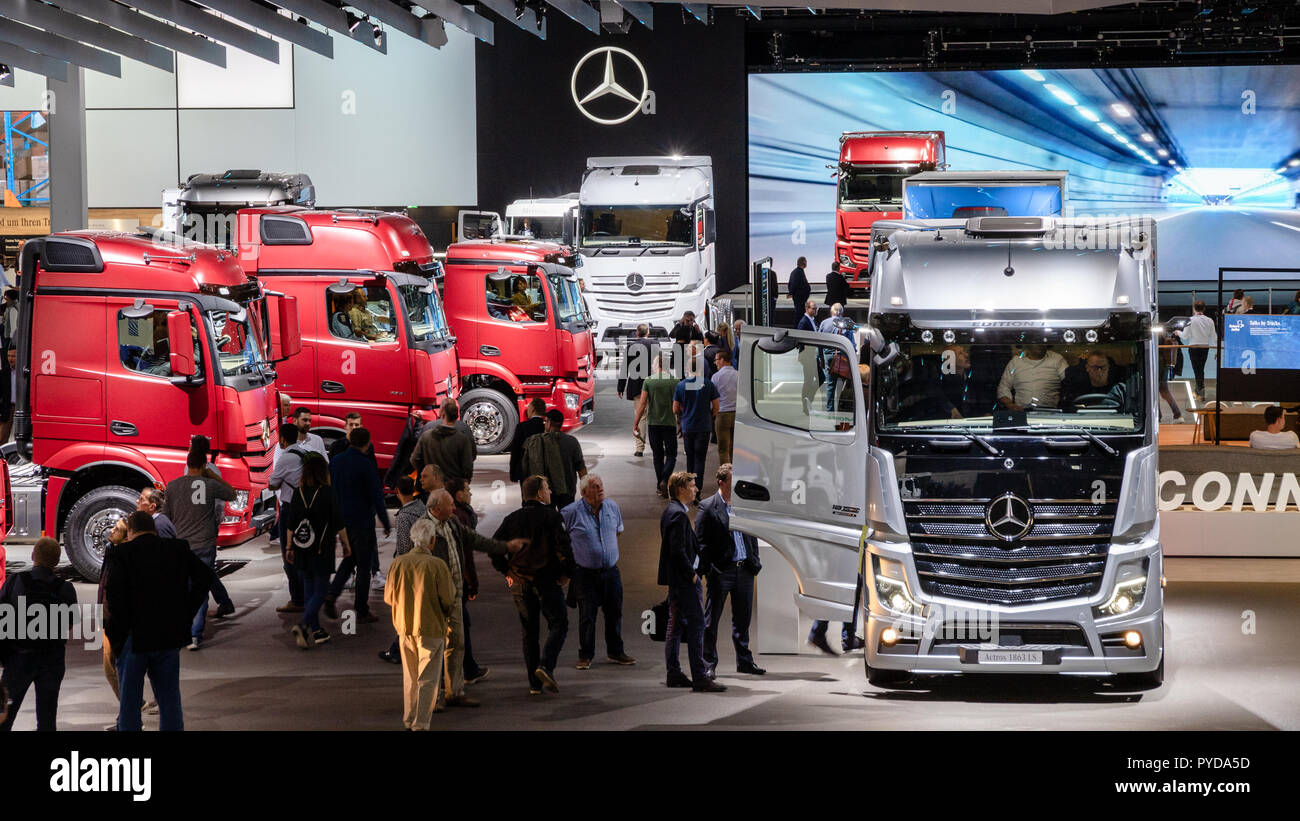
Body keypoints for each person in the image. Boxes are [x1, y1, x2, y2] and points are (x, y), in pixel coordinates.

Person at [104, 511, 215, 731]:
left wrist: (118, 633)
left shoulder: (123, 553)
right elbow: (205, 577)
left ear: (132, 531)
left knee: (130, 704)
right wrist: (187, 612)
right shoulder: (177, 549)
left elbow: (114, 596)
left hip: (134, 638)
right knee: (169, 699)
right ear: (154, 530)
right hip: (168, 635)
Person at [428, 489, 525, 704]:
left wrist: (505, 547)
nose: (454, 508)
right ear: (436, 508)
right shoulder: (424, 529)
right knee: (433, 648)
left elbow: (475, 540)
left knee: (456, 643)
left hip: (454, 594)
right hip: (434, 598)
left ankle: (455, 691)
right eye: (450, 505)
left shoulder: (451, 523)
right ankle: (432, 697)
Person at [492, 476, 574, 694]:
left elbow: (495, 547)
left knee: (529, 632)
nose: (550, 491)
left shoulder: (512, 519)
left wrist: (507, 571)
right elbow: (564, 548)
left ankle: (534, 684)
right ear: (539, 493)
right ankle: (546, 666)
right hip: (546, 581)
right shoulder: (552, 517)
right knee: (559, 623)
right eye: (547, 488)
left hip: (519, 583)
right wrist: (567, 573)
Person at [163, 450, 237, 651]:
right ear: (205, 466)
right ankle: (195, 634)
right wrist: (212, 476)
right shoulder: (210, 485)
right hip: (205, 543)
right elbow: (232, 494)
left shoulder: (173, 486)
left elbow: (165, 516)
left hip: (182, 545)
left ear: (187, 464)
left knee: (185, 587)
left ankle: (187, 628)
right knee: (201, 587)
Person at [0, 537, 77, 731]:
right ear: (57, 561)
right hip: (52, 660)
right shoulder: (66, 588)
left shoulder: (15, 581)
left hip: (18, 658)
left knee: (5, 715)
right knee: (47, 718)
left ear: (33, 555)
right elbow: (70, 622)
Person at [384, 518, 454, 730]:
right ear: (432, 541)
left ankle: (409, 717)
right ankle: (421, 723)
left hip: (404, 627)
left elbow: (388, 597)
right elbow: (448, 599)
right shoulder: (437, 565)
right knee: (428, 678)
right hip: (431, 627)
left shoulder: (398, 563)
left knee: (410, 677)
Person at [658, 471, 725, 692]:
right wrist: (692, 575)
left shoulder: (672, 512)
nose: (696, 489)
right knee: (696, 625)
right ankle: (699, 676)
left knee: (675, 626)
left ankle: (674, 673)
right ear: (681, 490)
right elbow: (677, 552)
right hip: (685, 581)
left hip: (677, 581)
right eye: (693, 486)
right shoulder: (678, 515)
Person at [696, 464, 764, 678]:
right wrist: (708, 569)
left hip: (744, 570)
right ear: (721, 482)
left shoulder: (743, 505)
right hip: (721, 571)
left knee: (743, 620)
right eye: (732, 481)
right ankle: (708, 663)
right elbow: (701, 542)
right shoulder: (708, 507)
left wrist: (755, 560)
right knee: (711, 620)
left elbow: (751, 534)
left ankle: (744, 661)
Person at [561, 475, 635, 670]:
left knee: (614, 613)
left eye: (601, 486)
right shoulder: (570, 513)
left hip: (611, 572)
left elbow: (618, 531)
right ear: (584, 492)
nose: (600, 489)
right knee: (587, 615)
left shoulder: (612, 507)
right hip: (585, 574)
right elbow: (559, 540)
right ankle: (585, 655)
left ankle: (616, 652)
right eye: (595, 487)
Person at [324, 427, 391, 624]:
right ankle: (361, 609)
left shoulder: (335, 462)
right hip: (362, 521)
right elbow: (376, 495)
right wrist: (385, 522)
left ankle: (331, 594)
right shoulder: (366, 464)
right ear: (367, 443)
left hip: (342, 521)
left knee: (349, 559)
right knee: (364, 566)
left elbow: (331, 490)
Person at [286, 454, 350, 648]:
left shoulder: (299, 492)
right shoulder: (327, 492)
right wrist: (346, 544)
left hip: (301, 546)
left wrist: (289, 546)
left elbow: (291, 523)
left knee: (309, 588)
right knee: (321, 591)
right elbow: (338, 522)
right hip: (322, 548)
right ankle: (304, 625)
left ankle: (316, 631)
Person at [443, 477, 489, 685]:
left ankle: (466, 668)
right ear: (458, 494)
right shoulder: (460, 516)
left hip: (449, 580)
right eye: (468, 490)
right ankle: (462, 672)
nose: (471, 494)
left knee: (460, 624)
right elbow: (466, 553)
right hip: (455, 580)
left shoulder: (456, 514)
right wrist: (472, 581)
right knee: (459, 625)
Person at [380, 475, 429, 665]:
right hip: (424, 560)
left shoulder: (404, 516)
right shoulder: (422, 508)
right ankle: (397, 649)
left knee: (404, 611)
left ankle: (397, 650)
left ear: (398, 492)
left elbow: (402, 546)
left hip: (410, 567)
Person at [268, 422, 310, 613]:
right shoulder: (305, 453)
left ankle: (297, 599)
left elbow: (272, 484)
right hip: (308, 508)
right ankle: (308, 594)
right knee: (305, 550)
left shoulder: (285, 458)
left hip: (290, 509)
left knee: (289, 554)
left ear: (283, 439)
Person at [674, 354, 719, 503]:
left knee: (690, 460)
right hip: (703, 427)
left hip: (688, 426)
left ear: (687, 368)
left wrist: (684, 411)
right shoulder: (708, 384)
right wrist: (709, 416)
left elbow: (675, 409)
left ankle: (689, 489)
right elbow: (716, 407)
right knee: (700, 460)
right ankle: (697, 492)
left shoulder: (680, 385)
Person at [522, 409, 587, 509]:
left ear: (548, 422)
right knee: (567, 519)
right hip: (567, 490)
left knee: (548, 520)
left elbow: (525, 468)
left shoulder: (534, 441)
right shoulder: (572, 442)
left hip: (545, 491)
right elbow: (581, 468)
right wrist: (586, 489)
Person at [636, 352, 680, 498]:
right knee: (672, 454)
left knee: (657, 455)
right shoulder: (675, 381)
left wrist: (636, 423)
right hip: (669, 423)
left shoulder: (649, 381)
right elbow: (679, 405)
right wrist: (680, 421)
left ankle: (660, 484)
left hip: (653, 423)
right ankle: (665, 480)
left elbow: (642, 404)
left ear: (657, 365)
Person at [410, 399, 475, 483]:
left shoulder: (428, 429)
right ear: (456, 412)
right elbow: (471, 458)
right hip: (455, 484)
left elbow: (415, 458)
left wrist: (426, 472)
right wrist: (464, 480)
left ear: (441, 411)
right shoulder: (464, 431)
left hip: (431, 482)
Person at [618, 324, 656, 457]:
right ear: (648, 333)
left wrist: (620, 387)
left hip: (637, 386)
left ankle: (640, 448)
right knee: (655, 415)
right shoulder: (655, 345)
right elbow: (661, 364)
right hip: (654, 384)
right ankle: (659, 445)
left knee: (641, 416)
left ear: (636, 333)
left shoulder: (630, 347)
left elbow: (624, 368)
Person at [996, 344, 1068, 410]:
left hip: (1050, 411)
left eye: (1042, 341)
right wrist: (1010, 405)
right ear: (1027, 344)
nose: (1040, 344)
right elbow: (1004, 387)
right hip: (1021, 411)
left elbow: (1069, 381)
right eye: (1035, 341)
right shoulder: (1015, 362)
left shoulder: (1057, 359)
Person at [1176, 300, 1216, 400]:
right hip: (1205, 348)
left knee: (1197, 370)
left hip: (1193, 348)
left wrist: (1178, 332)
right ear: (1204, 308)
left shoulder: (1190, 320)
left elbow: (1185, 336)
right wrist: (1217, 350)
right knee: (1200, 369)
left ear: (1194, 308)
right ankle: (1198, 391)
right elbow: (1214, 336)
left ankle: (1201, 393)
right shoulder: (1209, 320)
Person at [509, 398, 547, 500]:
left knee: (527, 498)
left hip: (525, 471)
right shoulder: (546, 427)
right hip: (544, 471)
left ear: (533, 409)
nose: (527, 410)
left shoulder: (522, 427)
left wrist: (513, 473)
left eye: (529, 408)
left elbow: (516, 451)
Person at [711, 348, 738, 466]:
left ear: (722, 360)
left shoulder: (716, 377)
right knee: (734, 447)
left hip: (722, 415)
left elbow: (713, 398)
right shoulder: (739, 375)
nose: (714, 362)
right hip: (737, 415)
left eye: (716, 360)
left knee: (723, 449)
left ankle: (726, 475)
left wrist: (713, 412)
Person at [0, 344, 16, 444]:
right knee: (2, 437)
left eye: (13, 356)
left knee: (20, 437)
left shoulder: (25, 373)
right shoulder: (3, 373)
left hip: (21, 408)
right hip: (8, 407)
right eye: (9, 356)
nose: (10, 358)